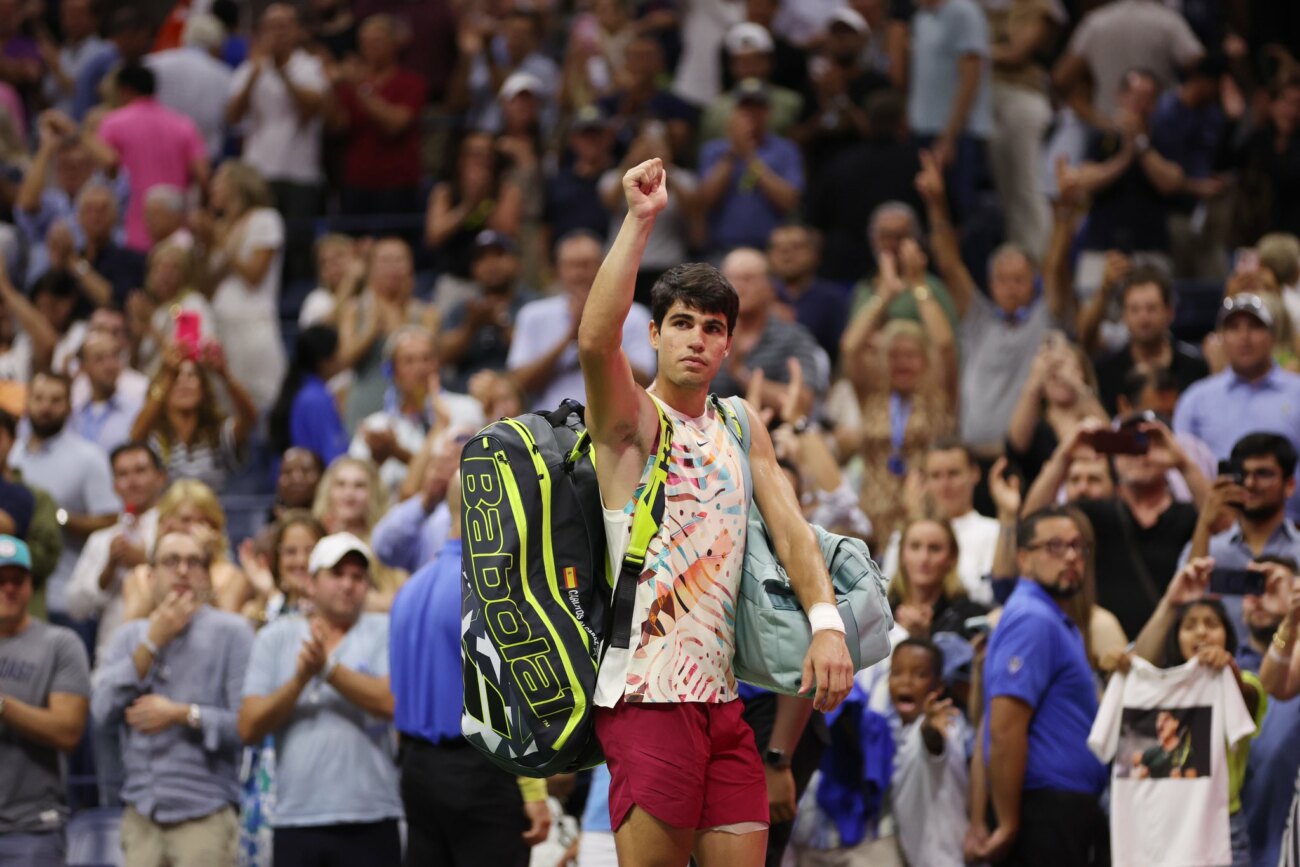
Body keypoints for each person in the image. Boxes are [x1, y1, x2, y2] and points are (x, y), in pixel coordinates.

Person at [576, 157, 852, 864]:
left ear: (729, 343)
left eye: (711, 326)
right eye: (681, 323)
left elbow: (792, 530)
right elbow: (595, 341)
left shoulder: (740, 422)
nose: (696, 337)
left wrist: (826, 625)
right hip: (646, 695)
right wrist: (640, 221)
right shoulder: (631, 421)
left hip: (724, 701)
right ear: (655, 335)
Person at [389, 473, 551, 865]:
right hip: (480, 774)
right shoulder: (490, 591)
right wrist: (533, 790)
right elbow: (509, 697)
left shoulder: (409, 589)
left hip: (416, 773)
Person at [91, 530, 254, 867]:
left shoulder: (233, 633)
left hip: (206, 814)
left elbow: (246, 727)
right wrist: (152, 643)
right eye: (171, 561)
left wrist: (185, 714)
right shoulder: (130, 637)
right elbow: (102, 712)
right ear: (150, 576)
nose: (182, 571)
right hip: (141, 813)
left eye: (194, 563)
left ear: (206, 576)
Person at [238, 533, 402, 867]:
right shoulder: (276, 637)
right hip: (297, 817)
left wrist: (327, 670)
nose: (348, 584)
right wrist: (299, 680)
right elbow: (248, 726)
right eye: (337, 574)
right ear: (312, 583)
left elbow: (392, 703)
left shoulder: (385, 630)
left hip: (373, 814)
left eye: (358, 577)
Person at [968, 506, 1109, 865]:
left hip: (1060, 812)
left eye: (1078, 547)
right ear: (1024, 559)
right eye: (1055, 546)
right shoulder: (1033, 619)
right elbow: (1003, 728)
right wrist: (1008, 823)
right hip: (1043, 815)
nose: (1071, 557)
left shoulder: (1051, 619)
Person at [914, 148, 1071, 459]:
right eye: (1002, 280)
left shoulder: (1046, 319)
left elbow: (1056, 266)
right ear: (991, 285)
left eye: (1019, 280)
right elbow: (949, 265)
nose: (1010, 288)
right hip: (971, 455)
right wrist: (935, 204)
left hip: (1023, 458)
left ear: (1033, 282)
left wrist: (1064, 213)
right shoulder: (978, 318)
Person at [1124, 558, 1267, 865]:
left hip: (1222, 827)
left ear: (1228, 634)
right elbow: (1139, 665)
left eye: (1211, 624)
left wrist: (1228, 669)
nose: (1201, 632)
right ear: (1175, 637)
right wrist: (1169, 601)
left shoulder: (1244, 681)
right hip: (1164, 825)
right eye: (1189, 626)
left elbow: (1248, 697)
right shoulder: (1159, 688)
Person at [838, 241, 957, 543]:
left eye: (911, 355)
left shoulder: (937, 396)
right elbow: (850, 347)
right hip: (873, 521)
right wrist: (885, 294)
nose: (902, 362)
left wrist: (919, 287)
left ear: (925, 361)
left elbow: (945, 345)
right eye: (894, 355)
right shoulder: (873, 396)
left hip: (925, 518)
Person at [0, 535, 90, 867]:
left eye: (17, 580)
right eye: (0, 580)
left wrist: (2, 706)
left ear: (31, 586)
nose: (8, 589)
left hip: (32, 828)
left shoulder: (59, 644)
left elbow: (68, 731)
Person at [9, 371, 119, 641]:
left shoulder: (89, 457)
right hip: (12, 596)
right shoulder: (11, 456)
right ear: (26, 402)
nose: (45, 407)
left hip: (64, 597)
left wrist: (58, 518)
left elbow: (110, 520)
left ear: (69, 406)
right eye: (38, 398)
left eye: (56, 400)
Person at [225, 3, 328, 281]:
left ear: (297, 31)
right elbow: (232, 116)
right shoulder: (251, 68)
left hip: (299, 171)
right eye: (271, 27)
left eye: (283, 26)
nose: (277, 33)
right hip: (258, 170)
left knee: (296, 246)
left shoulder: (309, 66)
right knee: (256, 241)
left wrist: (282, 71)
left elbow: (312, 108)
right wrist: (256, 73)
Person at [1174, 294, 1300, 521]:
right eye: (1233, 328)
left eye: (1254, 327)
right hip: (1214, 525)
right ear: (1221, 338)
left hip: (1291, 525)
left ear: (1272, 336)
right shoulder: (1196, 399)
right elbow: (1178, 470)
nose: (1244, 337)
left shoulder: (1296, 391)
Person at [507, 230, 655, 411]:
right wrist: (570, 336)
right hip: (548, 421)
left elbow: (645, 381)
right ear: (557, 270)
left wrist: (597, 338)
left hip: (613, 421)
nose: (579, 273)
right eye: (571, 265)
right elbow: (519, 384)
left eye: (586, 265)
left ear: (604, 266)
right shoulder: (533, 315)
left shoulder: (634, 315)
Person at [85, 64, 209, 253]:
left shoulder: (113, 123)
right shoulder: (184, 124)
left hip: (130, 234)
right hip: (175, 235)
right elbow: (203, 176)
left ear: (124, 91)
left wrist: (82, 136)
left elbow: (108, 162)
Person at [348, 326, 482, 498]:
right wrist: (376, 462)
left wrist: (398, 453)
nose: (420, 368)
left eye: (427, 359)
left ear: (439, 365)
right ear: (392, 371)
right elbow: (353, 485)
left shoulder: (466, 409)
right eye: (408, 361)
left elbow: (459, 474)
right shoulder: (376, 426)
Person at [65, 442, 165, 664]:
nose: (132, 481)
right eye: (123, 474)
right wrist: (106, 572)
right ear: (114, 486)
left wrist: (147, 562)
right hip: (112, 655)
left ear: (160, 477)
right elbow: (75, 608)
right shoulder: (101, 540)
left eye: (140, 471)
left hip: (165, 655)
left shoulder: (175, 530)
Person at [201, 160, 288, 413]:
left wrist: (222, 244)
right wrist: (206, 244)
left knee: (263, 397)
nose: (212, 188)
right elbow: (207, 285)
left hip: (253, 323)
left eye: (219, 182)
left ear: (237, 184)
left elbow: (254, 275)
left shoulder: (264, 219)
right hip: (221, 323)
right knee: (225, 402)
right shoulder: (220, 226)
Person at [327, 14, 427, 216]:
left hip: (397, 184)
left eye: (377, 40)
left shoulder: (411, 82)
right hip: (356, 182)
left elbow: (395, 125)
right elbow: (337, 126)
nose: (370, 47)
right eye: (365, 41)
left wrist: (361, 88)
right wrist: (331, 89)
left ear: (394, 43)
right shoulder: (349, 86)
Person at [880, 439, 1001, 603]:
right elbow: (886, 594)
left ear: (974, 473)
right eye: (935, 476)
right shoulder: (904, 535)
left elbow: (991, 595)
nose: (945, 485)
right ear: (924, 481)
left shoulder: (994, 531)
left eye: (953, 474)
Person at [338, 238, 441, 429]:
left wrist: (399, 314)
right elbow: (345, 359)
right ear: (371, 267)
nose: (392, 267)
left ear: (410, 266)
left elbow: (431, 357)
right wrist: (371, 329)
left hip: (415, 403)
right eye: (385, 260)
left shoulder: (427, 312)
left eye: (399, 260)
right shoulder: (355, 309)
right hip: (367, 400)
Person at [712, 247, 824, 418]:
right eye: (731, 279)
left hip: (774, 431)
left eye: (748, 279)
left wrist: (740, 373)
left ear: (770, 287)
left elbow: (803, 403)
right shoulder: (707, 334)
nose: (738, 287)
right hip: (708, 430)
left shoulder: (793, 337)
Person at [130, 344, 257, 493]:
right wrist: (167, 376)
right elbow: (135, 437)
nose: (184, 383)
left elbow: (249, 418)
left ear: (203, 388)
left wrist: (224, 375)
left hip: (211, 507)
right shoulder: (155, 439)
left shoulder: (217, 434)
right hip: (167, 507)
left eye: (191, 376)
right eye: (176, 377)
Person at [907, 0, 993, 218]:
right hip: (923, 130)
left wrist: (949, 136)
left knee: (962, 212)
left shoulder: (964, 13)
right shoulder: (920, 18)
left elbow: (970, 79)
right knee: (930, 211)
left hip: (957, 135)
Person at [697, 79, 803, 256]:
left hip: (770, 250)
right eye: (745, 107)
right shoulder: (713, 150)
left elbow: (789, 201)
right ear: (735, 111)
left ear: (768, 112)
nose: (751, 114)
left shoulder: (786, 150)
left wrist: (749, 157)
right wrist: (732, 153)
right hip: (721, 249)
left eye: (757, 107)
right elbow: (704, 201)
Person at [888, 638, 970, 866]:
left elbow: (933, 744)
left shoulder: (944, 726)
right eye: (897, 672)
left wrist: (930, 728)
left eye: (920, 674)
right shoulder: (899, 730)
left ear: (938, 686)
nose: (906, 682)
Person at [1089, 267, 1210, 414]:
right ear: (1124, 315)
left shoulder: (1195, 370)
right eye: (1135, 309)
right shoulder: (1105, 373)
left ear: (1169, 312)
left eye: (1151, 308)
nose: (1143, 318)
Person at [145, 13, 233, 161]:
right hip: (203, 158)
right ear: (217, 46)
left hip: (156, 154)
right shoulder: (224, 75)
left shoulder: (152, 63)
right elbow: (230, 122)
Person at [888, 517, 989, 640]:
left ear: (952, 557)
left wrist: (923, 638)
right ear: (902, 555)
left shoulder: (971, 618)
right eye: (915, 547)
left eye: (935, 548)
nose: (924, 558)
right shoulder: (880, 613)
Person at [766, 225, 848, 366]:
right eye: (778, 248)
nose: (786, 254)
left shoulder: (833, 299)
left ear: (815, 255)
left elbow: (843, 352)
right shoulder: (760, 298)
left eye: (796, 247)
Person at [269, 325, 348, 467]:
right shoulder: (316, 399)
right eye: (337, 352)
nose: (341, 358)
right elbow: (334, 459)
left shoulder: (302, 389)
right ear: (324, 362)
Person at [238, 510, 323, 628]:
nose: (301, 561)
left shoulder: (333, 610)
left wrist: (273, 596)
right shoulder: (255, 610)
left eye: (310, 551)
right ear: (278, 558)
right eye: (290, 552)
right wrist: (266, 595)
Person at [70, 328, 144, 453]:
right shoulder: (73, 416)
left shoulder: (137, 411)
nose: (110, 365)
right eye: (99, 359)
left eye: (115, 356)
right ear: (83, 367)